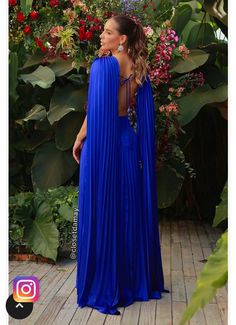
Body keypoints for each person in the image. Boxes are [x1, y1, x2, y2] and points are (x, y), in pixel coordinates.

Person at [72, 14, 169, 316]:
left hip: (103, 145)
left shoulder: (104, 66)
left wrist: (79, 138)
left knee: (102, 210)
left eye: (108, 32)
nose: (101, 36)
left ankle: (104, 282)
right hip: (127, 145)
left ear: (122, 39)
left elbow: (97, 113)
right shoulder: (139, 71)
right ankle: (132, 279)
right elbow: (141, 118)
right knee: (127, 212)